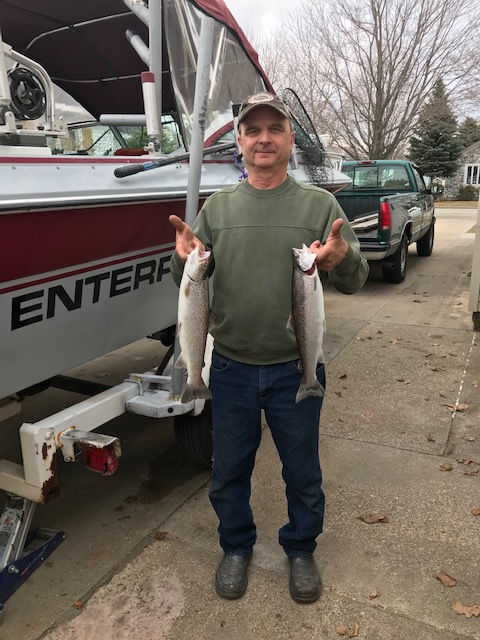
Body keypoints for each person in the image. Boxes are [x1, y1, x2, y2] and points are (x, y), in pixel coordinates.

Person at [169, 91, 368, 604]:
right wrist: (181, 258)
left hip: (295, 368)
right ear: (239, 141)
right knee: (228, 470)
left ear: (289, 138)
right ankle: (236, 547)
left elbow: (356, 279)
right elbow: (190, 280)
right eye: (253, 130)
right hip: (231, 368)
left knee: (302, 472)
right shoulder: (219, 208)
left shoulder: (319, 205)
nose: (264, 138)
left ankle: (300, 549)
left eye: (274, 129)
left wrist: (341, 258)